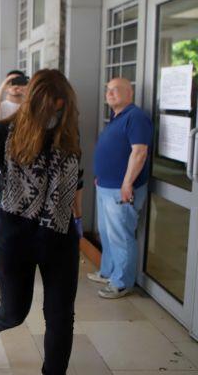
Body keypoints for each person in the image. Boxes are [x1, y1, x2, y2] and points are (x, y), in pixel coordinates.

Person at [0, 69, 83, 375]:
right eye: (50, 107)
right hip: (14, 238)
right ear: (34, 102)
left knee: (61, 316)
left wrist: (78, 220)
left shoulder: (67, 133)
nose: (54, 114)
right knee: (14, 312)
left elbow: (76, 180)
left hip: (59, 236)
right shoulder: (4, 132)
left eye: (61, 107)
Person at [88, 78, 152, 299]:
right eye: (108, 90)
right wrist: (102, 176)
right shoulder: (117, 118)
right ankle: (108, 272)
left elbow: (139, 152)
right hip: (106, 186)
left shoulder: (136, 117)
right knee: (106, 233)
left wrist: (127, 183)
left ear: (129, 92)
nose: (110, 93)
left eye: (116, 90)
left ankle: (122, 283)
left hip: (121, 189)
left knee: (120, 236)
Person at [0, 70, 29, 201]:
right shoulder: (0, 106)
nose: (15, 85)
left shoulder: (29, 106)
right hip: (2, 165)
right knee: (3, 204)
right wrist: (3, 86)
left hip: (26, 163)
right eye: (11, 82)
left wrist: (28, 91)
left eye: (19, 82)